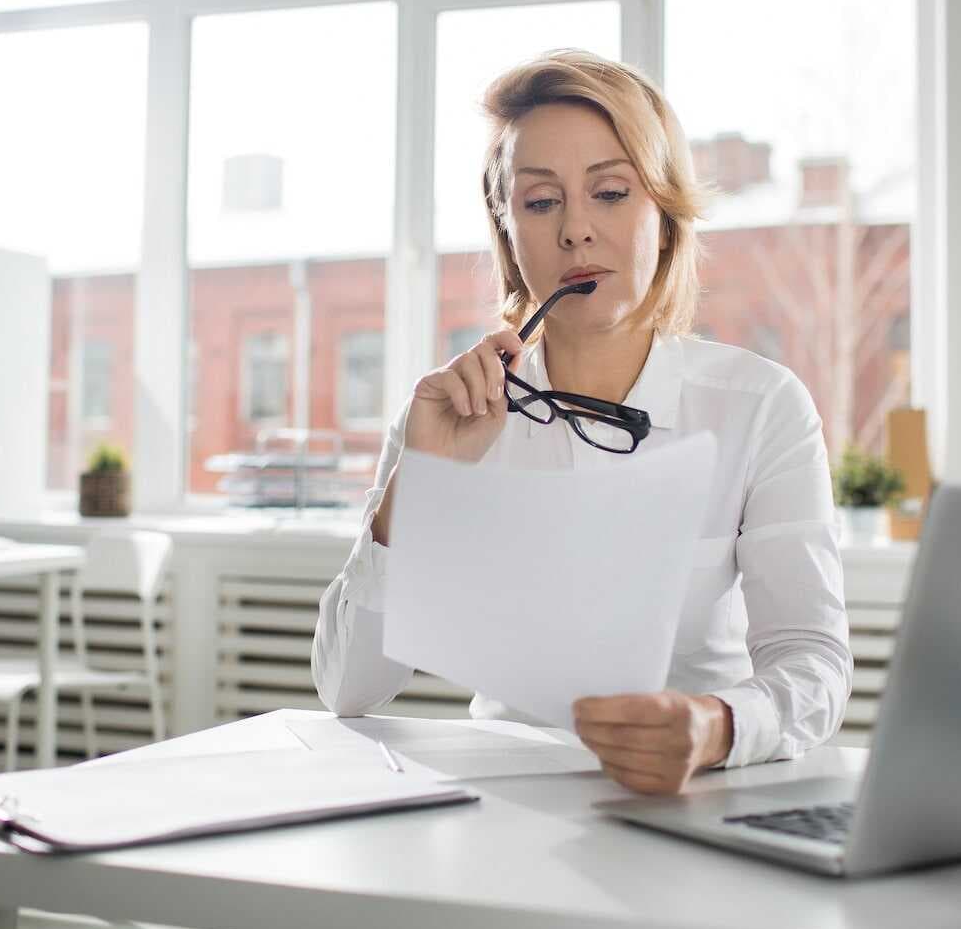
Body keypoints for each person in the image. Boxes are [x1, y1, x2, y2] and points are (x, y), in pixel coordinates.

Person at [312, 49, 851, 799]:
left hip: (696, 796)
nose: (576, 233)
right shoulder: (449, 410)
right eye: (541, 203)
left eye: (610, 193)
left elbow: (812, 661)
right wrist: (418, 489)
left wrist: (717, 725)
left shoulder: (762, 406)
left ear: (662, 218)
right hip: (502, 805)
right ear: (508, 232)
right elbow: (347, 689)